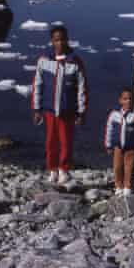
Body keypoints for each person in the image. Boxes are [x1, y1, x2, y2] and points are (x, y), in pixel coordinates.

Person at [31, 25, 88, 183]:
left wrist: (81, 112)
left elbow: (82, 88)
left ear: (67, 40)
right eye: (57, 40)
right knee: (51, 141)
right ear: (52, 41)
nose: (60, 43)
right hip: (49, 111)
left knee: (66, 141)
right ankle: (52, 169)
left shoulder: (75, 62)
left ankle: (64, 169)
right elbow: (37, 85)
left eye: (63, 39)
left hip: (67, 111)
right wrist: (37, 109)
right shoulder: (44, 61)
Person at [104, 87, 134, 197]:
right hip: (118, 147)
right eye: (125, 99)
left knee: (129, 167)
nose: (128, 101)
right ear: (120, 100)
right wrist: (108, 145)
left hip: (131, 147)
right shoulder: (114, 115)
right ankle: (118, 186)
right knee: (117, 167)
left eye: (130, 99)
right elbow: (109, 129)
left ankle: (128, 186)